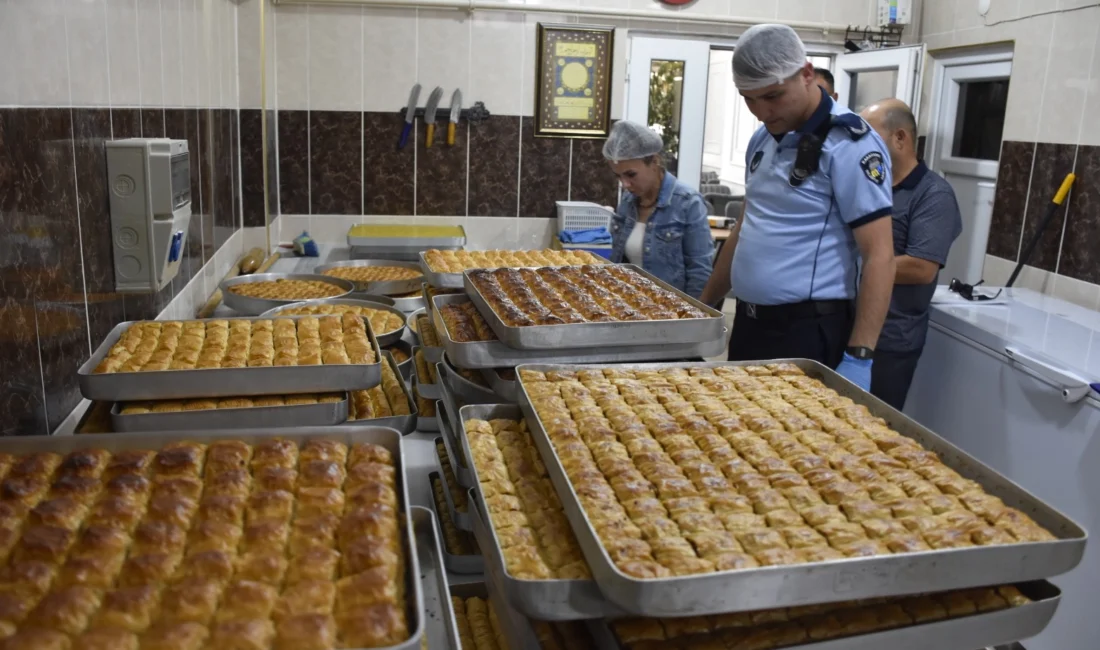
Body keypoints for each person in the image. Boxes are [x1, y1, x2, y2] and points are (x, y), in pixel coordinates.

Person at [698, 24, 897, 391]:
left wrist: (860, 355)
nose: (761, 111)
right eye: (749, 98)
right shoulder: (763, 138)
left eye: (773, 96)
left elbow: (879, 256)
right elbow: (747, 226)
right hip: (750, 325)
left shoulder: (850, 146)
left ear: (807, 74)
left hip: (806, 333)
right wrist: (705, 307)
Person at [860, 98, 962, 410]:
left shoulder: (933, 195)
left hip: (890, 340)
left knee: (869, 435)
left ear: (900, 138)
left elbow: (921, 268)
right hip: (851, 325)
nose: (860, 145)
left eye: (869, 135)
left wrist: (852, 266)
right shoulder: (870, 183)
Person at [603, 121, 715, 299]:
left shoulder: (687, 203)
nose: (624, 184)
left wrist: (692, 319)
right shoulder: (627, 201)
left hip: (669, 311)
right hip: (628, 306)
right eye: (619, 176)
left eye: (631, 174)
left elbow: (699, 271)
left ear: (654, 161)